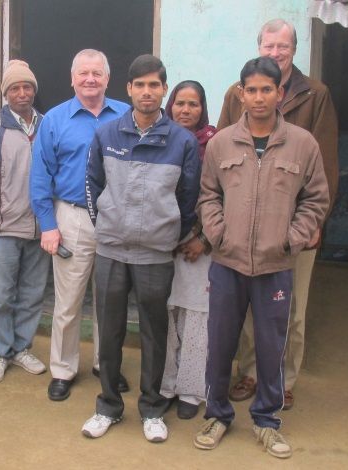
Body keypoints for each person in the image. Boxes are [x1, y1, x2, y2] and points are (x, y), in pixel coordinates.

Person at [194, 57, 329, 458]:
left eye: (266, 90)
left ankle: (267, 421)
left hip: (276, 265)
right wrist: (218, 234)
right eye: (250, 90)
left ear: (279, 94)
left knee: (272, 346)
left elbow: (316, 199)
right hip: (227, 264)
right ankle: (217, 414)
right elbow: (207, 195)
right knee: (220, 343)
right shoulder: (221, 144)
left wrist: (292, 239)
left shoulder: (303, 144)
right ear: (241, 94)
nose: (258, 97)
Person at [218, 19, 339, 409]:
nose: (275, 53)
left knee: (292, 307)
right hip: (244, 224)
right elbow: (217, 160)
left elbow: (326, 166)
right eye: (269, 46)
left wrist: (314, 223)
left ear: (294, 49)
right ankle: (251, 373)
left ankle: (284, 378)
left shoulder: (315, 95)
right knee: (251, 308)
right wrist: (218, 224)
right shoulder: (236, 94)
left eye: (282, 47)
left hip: (294, 224)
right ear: (259, 46)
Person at [81, 55, 201, 443]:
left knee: (153, 332)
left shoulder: (182, 141)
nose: (147, 92)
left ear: (163, 89)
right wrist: (108, 226)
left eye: (154, 85)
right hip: (112, 251)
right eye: (140, 85)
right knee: (110, 331)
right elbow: (92, 185)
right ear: (129, 89)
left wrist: (167, 234)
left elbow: (188, 198)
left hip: (155, 254)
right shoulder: (108, 134)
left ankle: (151, 409)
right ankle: (108, 406)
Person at [30, 49, 130, 401]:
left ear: (107, 78)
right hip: (70, 217)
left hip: (115, 219)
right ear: (73, 79)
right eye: (83, 73)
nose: (90, 79)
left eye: (97, 73)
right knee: (69, 302)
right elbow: (40, 175)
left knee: (110, 300)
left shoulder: (126, 116)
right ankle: (63, 369)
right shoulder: (55, 120)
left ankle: (107, 365)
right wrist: (48, 225)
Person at [0, 60, 50, 383]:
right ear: (5, 93)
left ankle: (21, 348)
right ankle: (0, 353)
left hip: (40, 227)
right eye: (14, 88)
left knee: (32, 293)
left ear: (34, 90)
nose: (22, 93)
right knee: (1, 296)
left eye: (27, 87)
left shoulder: (47, 125)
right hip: (2, 228)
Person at [159, 80, 216, 419]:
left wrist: (203, 237)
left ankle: (192, 390)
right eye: (180, 103)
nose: (185, 110)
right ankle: (166, 384)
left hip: (198, 246)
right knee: (165, 316)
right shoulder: (159, 140)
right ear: (171, 106)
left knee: (197, 317)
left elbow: (221, 196)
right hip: (161, 244)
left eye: (193, 104)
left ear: (202, 109)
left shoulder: (216, 144)